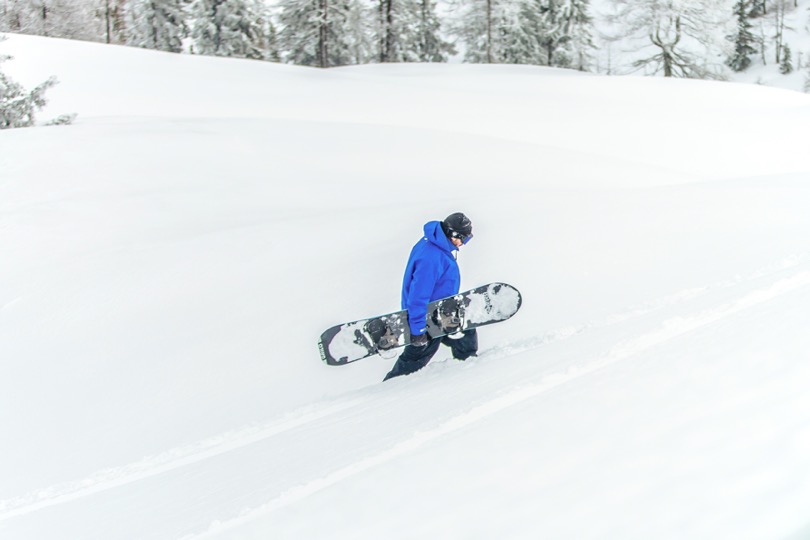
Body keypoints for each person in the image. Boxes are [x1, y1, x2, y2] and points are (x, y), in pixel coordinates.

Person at [383, 212, 478, 381]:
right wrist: (417, 329)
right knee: (415, 358)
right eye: (463, 239)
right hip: (427, 317)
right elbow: (418, 296)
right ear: (452, 234)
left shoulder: (436, 244)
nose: (463, 244)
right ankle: (391, 385)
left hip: (443, 310)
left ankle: (469, 371)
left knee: (466, 335)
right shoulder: (431, 257)